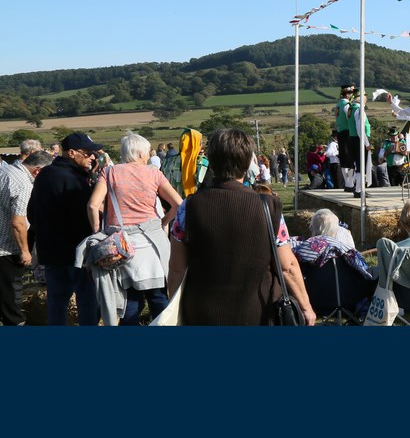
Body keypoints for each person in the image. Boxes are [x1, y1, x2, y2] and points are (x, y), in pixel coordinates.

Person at [166, 128, 315, 326]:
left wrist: (175, 312)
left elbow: (177, 268)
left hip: (202, 313)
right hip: (258, 312)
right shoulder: (268, 206)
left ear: (211, 161)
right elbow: (288, 267)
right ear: (247, 162)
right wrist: (306, 307)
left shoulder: (188, 207)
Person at [83, 132, 182, 326]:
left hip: (122, 244)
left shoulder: (109, 173)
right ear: (141, 153)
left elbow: (93, 205)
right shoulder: (153, 172)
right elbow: (178, 203)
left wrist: (97, 233)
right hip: (153, 243)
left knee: (129, 300)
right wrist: (163, 222)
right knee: (159, 297)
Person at [27, 132, 104, 326]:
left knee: (57, 303)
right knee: (87, 302)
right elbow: (84, 217)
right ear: (71, 153)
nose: (93, 157)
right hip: (76, 253)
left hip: (50, 251)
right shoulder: (74, 180)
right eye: (88, 153)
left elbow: (31, 213)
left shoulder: (45, 173)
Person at [293, 208, 375, 322]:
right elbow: (364, 272)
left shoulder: (300, 249)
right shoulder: (346, 250)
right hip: (345, 298)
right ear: (336, 230)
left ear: (312, 227)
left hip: (311, 299)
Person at [0, 150, 52, 326]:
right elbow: (18, 222)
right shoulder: (23, 184)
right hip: (7, 248)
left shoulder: (5, 171)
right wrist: (24, 251)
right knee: (12, 296)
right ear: (38, 170)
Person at [333, 85, 355, 190]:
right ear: (347, 94)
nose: (352, 96)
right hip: (347, 132)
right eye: (351, 93)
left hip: (340, 132)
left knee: (343, 157)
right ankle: (349, 183)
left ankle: (347, 183)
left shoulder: (338, 104)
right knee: (349, 157)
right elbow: (350, 118)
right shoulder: (347, 105)